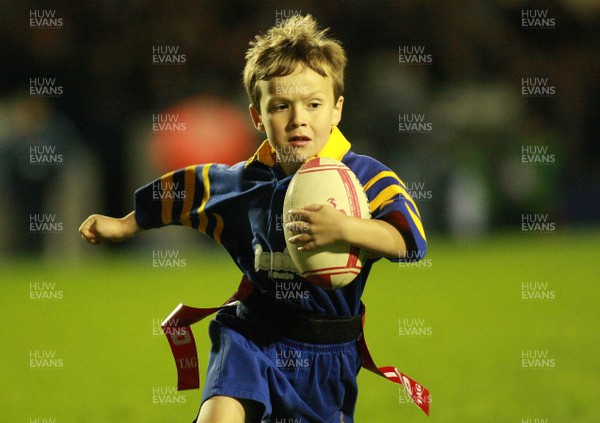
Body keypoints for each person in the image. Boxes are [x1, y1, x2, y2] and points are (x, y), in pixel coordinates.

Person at [79, 14, 427, 423]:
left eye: (314, 105)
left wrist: (345, 228)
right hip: (251, 336)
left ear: (336, 110)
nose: (298, 118)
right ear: (257, 117)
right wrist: (125, 224)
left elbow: (410, 241)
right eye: (281, 106)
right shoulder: (244, 181)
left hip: (328, 356)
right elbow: (186, 191)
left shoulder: (365, 177)